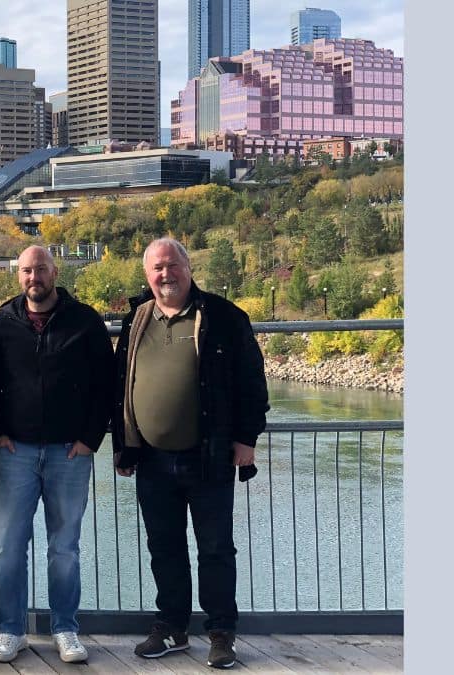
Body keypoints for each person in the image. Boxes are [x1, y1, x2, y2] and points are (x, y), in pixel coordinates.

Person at [113, 238, 268, 669]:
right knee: (164, 547)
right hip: (151, 459)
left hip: (210, 455)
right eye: (157, 268)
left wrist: (246, 439)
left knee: (216, 548)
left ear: (188, 265)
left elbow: (252, 383)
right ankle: (172, 628)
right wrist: (124, 447)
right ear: (147, 275)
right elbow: (120, 386)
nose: (166, 274)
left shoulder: (223, 317)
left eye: (172, 265)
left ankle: (221, 633)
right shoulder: (136, 319)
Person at [0, 245, 114, 664]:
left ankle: (65, 629)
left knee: (65, 547)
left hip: (69, 453)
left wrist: (90, 439)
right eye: (25, 270)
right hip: (14, 451)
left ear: (55, 272)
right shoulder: (2, 323)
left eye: (40, 269)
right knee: (6, 546)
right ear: (17, 276)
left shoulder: (85, 321)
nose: (33, 277)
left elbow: (106, 384)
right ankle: (11, 629)